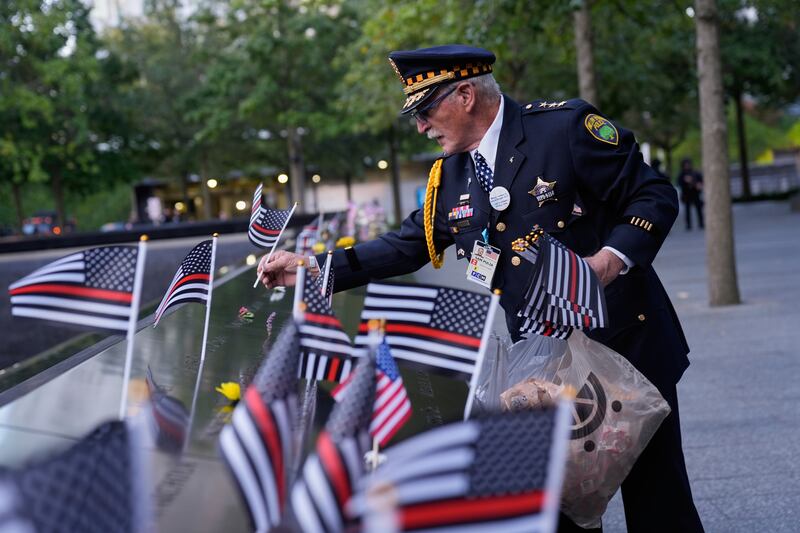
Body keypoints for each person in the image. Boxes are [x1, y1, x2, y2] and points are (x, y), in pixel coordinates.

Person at [258, 45, 703, 532]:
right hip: (541, 367)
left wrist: (607, 261)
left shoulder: (563, 129)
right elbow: (405, 245)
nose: (420, 127)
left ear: (466, 95)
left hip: (624, 345)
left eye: (425, 111)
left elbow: (653, 193)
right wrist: (314, 266)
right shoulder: (449, 177)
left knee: (657, 501)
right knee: (560, 506)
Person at [676, 158, 704, 230]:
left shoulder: (694, 172)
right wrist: (684, 181)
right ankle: (688, 225)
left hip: (695, 193)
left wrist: (698, 184)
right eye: (686, 164)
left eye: (688, 164)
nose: (687, 166)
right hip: (687, 194)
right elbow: (679, 183)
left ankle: (701, 223)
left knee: (699, 208)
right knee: (687, 210)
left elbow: (700, 180)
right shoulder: (682, 174)